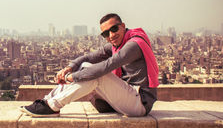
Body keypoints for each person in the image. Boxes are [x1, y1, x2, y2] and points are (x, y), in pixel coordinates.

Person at [21, 13, 159, 117]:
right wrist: (69, 68)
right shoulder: (116, 45)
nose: (111, 35)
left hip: (140, 103)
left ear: (123, 26)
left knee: (96, 75)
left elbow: (107, 66)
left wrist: (72, 77)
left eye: (114, 29)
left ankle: (52, 106)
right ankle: (47, 101)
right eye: (106, 33)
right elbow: (88, 57)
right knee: (87, 65)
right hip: (127, 97)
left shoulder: (133, 45)